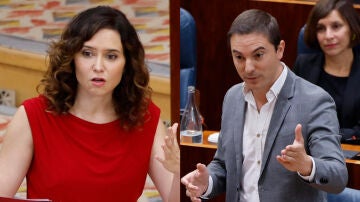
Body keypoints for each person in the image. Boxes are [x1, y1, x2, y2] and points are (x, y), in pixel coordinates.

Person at [0, 6, 180, 202]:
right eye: (87, 53)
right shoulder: (33, 115)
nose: (98, 66)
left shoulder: (145, 117)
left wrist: (178, 172)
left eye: (111, 56)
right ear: (72, 58)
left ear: (127, 63)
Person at [181, 9, 348, 202]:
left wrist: (307, 165)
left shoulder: (315, 101)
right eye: (239, 57)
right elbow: (225, 165)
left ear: (280, 49)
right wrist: (206, 182)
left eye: (258, 55)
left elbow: (338, 176)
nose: (248, 68)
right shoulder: (233, 97)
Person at [293, 0, 360, 200]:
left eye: (336, 26)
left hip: (353, 162)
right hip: (310, 161)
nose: (328, 35)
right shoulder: (304, 66)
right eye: (321, 28)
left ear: (352, 29)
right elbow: (294, 116)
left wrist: (327, 135)